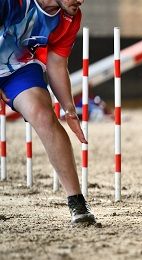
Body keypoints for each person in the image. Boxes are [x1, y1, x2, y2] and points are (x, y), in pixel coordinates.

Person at [0, 0, 97, 226]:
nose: (81, 0)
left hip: (18, 68)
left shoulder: (70, 17)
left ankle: (77, 202)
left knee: (43, 115)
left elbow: (56, 63)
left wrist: (69, 110)